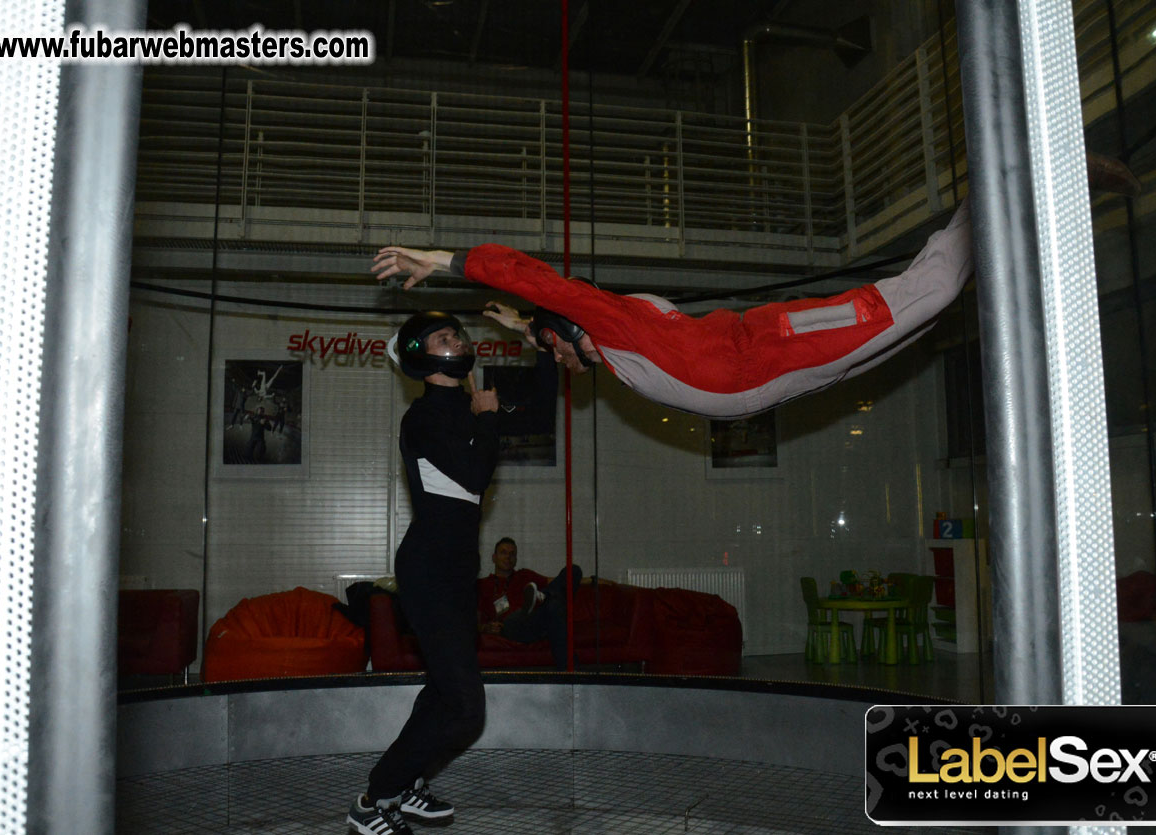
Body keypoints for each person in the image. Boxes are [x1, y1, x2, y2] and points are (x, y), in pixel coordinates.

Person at [371, 201, 973, 420]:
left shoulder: (610, 325)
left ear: (569, 330)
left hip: (771, 353)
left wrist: (443, 260)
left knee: (934, 290)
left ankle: (993, 190)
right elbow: (552, 326)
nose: (554, 359)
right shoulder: (609, 336)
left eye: (551, 345)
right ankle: (985, 220)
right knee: (924, 318)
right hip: (782, 374)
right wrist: (521, 324)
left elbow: (534, 281)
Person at [348, 311, 556, 835]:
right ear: (422, 357)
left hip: (458, 571)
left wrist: (544, 344)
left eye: (457, 334)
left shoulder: (470, 407)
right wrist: (486, 418)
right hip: (428, 572)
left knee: (443, 692)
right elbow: (474, 473)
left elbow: (539, 412)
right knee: (466, 708)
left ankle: (405, 784)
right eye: (444, 337)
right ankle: (374, 798)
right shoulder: (422, 419)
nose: (457, 340)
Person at [477, 536, 583, 669]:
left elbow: (558, 582)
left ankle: (543, 596)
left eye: (512, 554)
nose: (508, 557)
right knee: (554, 606)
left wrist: (596, 580)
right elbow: (472, 620)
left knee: (573, 571)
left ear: (516, 559)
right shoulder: (483, 584)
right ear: (494, 558)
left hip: (537, 621)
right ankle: (573, 673)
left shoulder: (524, 575)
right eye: (503, 552)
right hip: (511, 626)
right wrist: (485, 628)